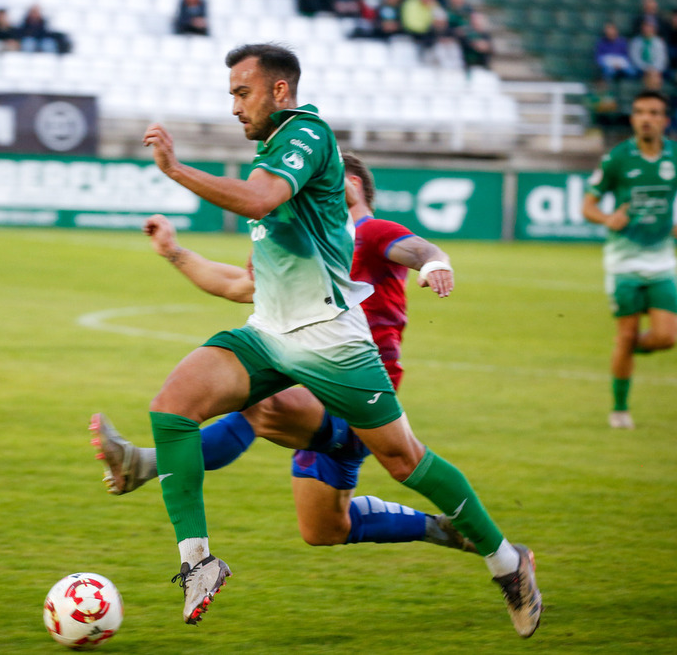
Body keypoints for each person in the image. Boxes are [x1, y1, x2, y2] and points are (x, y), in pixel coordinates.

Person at [95, 43, 541, 637]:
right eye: (230, 93)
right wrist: (176, 252)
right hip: (268, 336)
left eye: (241, 91)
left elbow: (259, 199)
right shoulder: (272, 155)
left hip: (332, 342)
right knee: (172, 406)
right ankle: (198, 562)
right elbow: (243, 281)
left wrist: (176, 171)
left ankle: (507, 563)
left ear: (280, 91)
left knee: (405, 460)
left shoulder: (306, 133)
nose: (233, 105)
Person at [93, 153, 480, 558]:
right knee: (324, 528)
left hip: (359, 395)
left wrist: (435, 262)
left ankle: (144, 464)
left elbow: (419, 249)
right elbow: (237, 284)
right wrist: (173, 251)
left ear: (346, 182)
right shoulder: (315, 243)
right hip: (314, 384)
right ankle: (444, 530)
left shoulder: (371, 229)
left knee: (261, 407)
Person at [582, 89, 677, 430]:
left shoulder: (674, 157)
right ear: (633, 119)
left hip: (663, 261)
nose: (646, 118)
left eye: (653, 112)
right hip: (623, 263)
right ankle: (619, 409)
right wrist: (608, 219)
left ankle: (624, 349)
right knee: (627, 332)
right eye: (639, 112)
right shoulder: (618, 158)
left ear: (665, 120)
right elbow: (588, 206)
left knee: (667, 337)